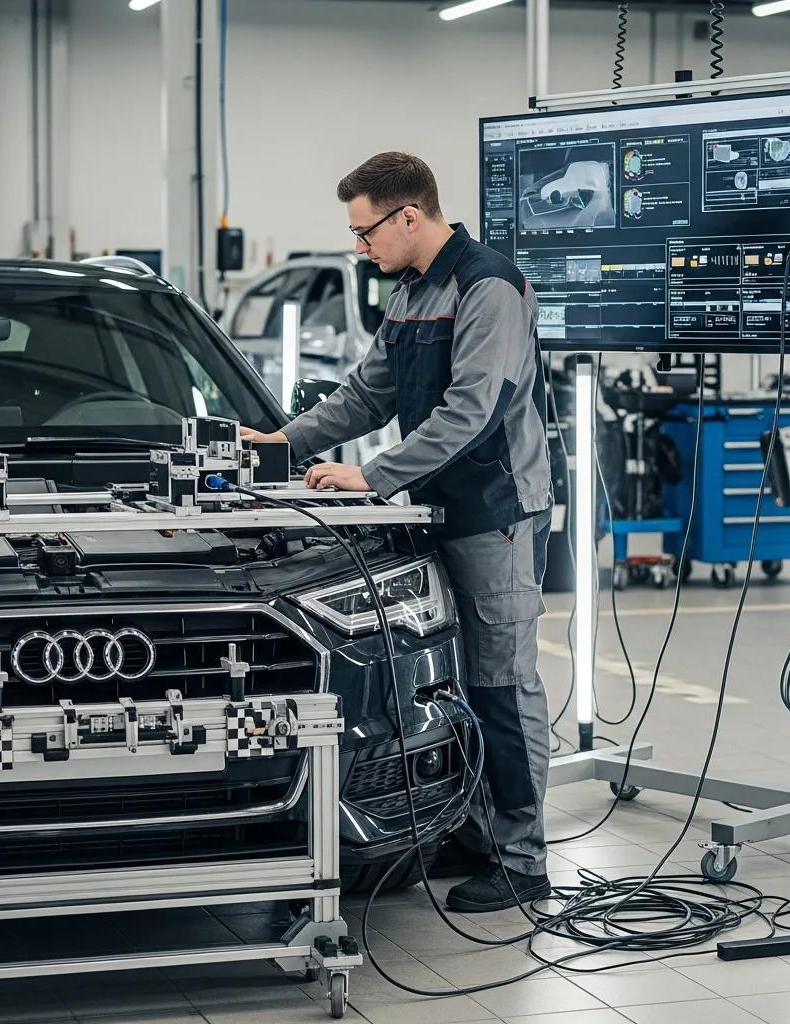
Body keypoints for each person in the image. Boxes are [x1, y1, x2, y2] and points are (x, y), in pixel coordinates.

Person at [242, 152, 553, 913]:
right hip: (427, 512)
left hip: (494, 513)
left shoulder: (490, 287)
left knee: (500, 684)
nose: (360, 247)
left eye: (364, 231)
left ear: (408, 215)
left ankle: (522, 857)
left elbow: (471, 409)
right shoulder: (414, 293)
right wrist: (281, 446)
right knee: (450, 684)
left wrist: (371, 477)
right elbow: (364, 396)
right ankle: (475, 831)